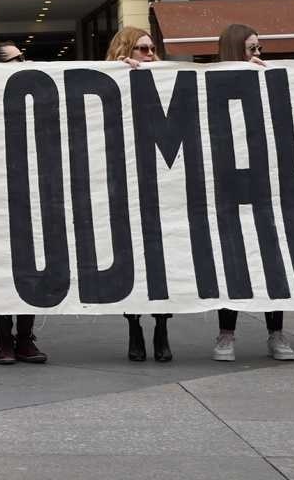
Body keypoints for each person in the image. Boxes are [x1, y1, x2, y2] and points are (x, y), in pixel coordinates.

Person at [210, 24, 294, 362]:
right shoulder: (213, 85)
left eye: (260, 48)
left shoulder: (268, 80)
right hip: (229, 190)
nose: (258, 54)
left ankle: (275, 332)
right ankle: (226, 334)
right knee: (231, 263)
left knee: (272, 262)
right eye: (252, 49)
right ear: (235, 51)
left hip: (265, 189)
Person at [0, 40, 45, 365]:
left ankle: (25, 338)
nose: (24, 62)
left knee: (31, 268)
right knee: (1, 270)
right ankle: (6, 341)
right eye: (17, 59)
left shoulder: (36, 93)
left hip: (29, 193)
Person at [107, 26, 171, 362]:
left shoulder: (163, 78)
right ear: (125, 51)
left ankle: (161, 328)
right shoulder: (110, 79)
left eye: (151, 49)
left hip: (160, 187)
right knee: (132, 260)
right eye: (142, 50)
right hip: (124, 188)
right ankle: (135, 327)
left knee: (162, 263)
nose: (149, 55)